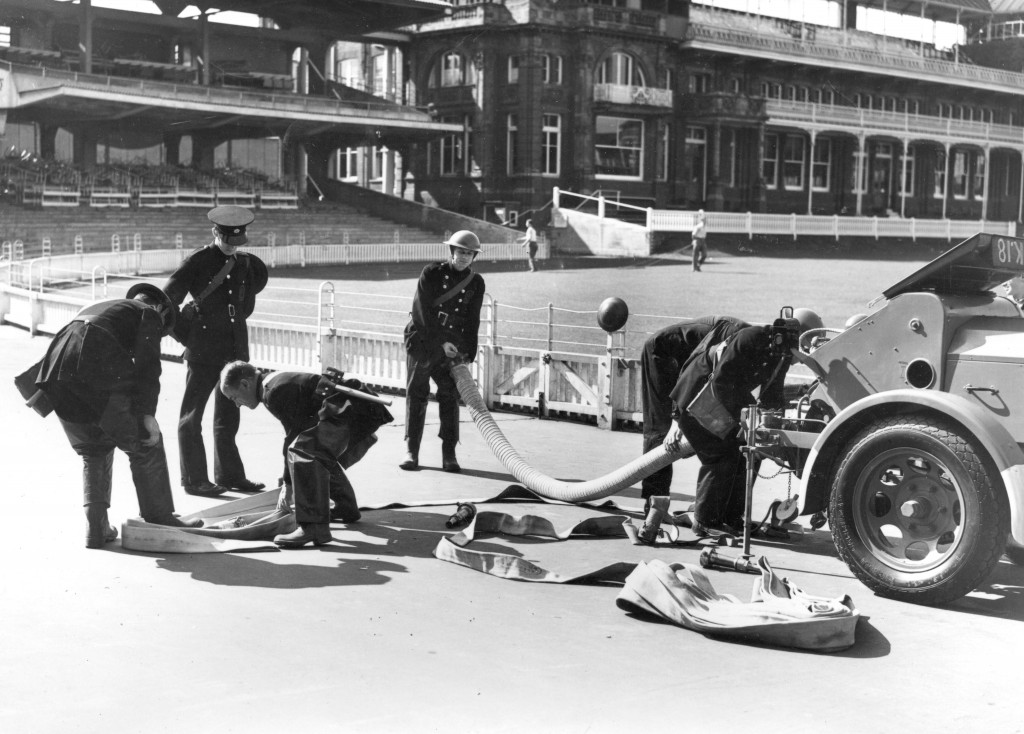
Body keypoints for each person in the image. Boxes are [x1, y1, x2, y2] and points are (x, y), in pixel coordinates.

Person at [14, 284, 203, 548]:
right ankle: (159, 518)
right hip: (95, 368)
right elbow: (149, 367)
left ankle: (97, 528)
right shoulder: (147, 312)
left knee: (93, 448)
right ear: (160, 308)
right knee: (146, 442)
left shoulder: (102, 308)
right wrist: (147, 415)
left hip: (54, 378)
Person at [665, 308, 823, 536]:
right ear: (795, 335)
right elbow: (720, 382)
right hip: (697, 396)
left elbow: (773, 392)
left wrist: (774, 420)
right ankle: (705, 521)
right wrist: (745, 418)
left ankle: (731, 518)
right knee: (721, 454)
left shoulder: (781, 352)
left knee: (748, 453)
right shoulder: (752, 338)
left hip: (722, 399)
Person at [219, 361, 394, 548]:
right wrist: (288, 478)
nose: (237, 405)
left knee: (303, 451)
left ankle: (313, 528)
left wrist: (288, 483)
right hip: (351, 410)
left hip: (349, 410)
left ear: (245, 384)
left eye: (234, 398)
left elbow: (294, 437)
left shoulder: (273, 392)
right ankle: (346, 507)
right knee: (313, 449)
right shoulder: (272, 384)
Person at [163, 205, 269, 497]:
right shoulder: (198, 260)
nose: (233, 246)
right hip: (203, 348)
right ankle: (194, 479)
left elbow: (245, 305)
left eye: (238, 242)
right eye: (227, 240)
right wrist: (187, 337)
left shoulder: (246, 263)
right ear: (215, 233)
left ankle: (230, 475)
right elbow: (167, 300)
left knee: (229, 416)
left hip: (233, 348)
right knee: (191, 416)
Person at [639, 316, 749, 509]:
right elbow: (691, 371)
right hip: (662, 353)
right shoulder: (734, 338)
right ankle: (654, 504)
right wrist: (676, 421)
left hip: (687, 361)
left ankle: (720, 512)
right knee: (659, 429)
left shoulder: (758, 347)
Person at [400, 230, 486, 473]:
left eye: (469, 254)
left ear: (474, 257)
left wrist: (468, 353)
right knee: (417, 395)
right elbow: (421, 311)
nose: (464, 258)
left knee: (449, 398)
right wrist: (439, 343)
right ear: (452, 252)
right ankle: (411, 450)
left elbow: (472, 320)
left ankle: (449, 453)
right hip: (424, 342)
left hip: (452, 347)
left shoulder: (476, 282)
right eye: (460, 252)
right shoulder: (432, 272)